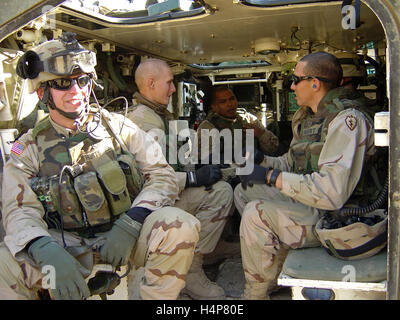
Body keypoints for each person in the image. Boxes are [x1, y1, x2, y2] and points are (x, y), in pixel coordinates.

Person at [0, 33, 200, 300]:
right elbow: (18, 210)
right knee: (3, 266)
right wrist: (43, 248)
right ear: (42, 92)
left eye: (82, 81)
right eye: (62, 84)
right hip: (64, 245)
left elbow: (162, 175)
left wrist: (132, 222)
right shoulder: (26, 148)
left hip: (124, 235)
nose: (76, 92)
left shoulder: (119, 128)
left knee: (181, 225)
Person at [235, 52, 377, 299]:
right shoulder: (310, 117)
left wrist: (270, 176)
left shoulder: (347, 120)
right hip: (315, 203)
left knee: (254, 213)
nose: (291, 86)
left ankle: (255, 293)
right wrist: (261, 162)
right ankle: (275, 268)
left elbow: (331, 193)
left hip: (339, 217)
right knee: (243, 191)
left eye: (295, 79)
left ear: (315, 83)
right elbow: (292, 163)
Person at [127, 58, 236, 300]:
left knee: (221, 190)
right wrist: (192, 177)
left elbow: (175, 158)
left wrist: (199, 167)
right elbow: (148, 180)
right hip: (148, 205)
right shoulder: (141, 121)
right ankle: (187, 272)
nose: (174, 89)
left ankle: (190, 267)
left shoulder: (161, 116)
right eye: (169, 83)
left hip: (169, 193)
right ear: (151, 83)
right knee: (220, 194)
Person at [196, 85, 279, 167]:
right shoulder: (208, 126)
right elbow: (206, 159)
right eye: (223, 102)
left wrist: (261, 134)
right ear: (214, 107)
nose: (230, 104)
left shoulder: (249, 119)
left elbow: (273, 149)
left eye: (232, 99)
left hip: (255, 171)